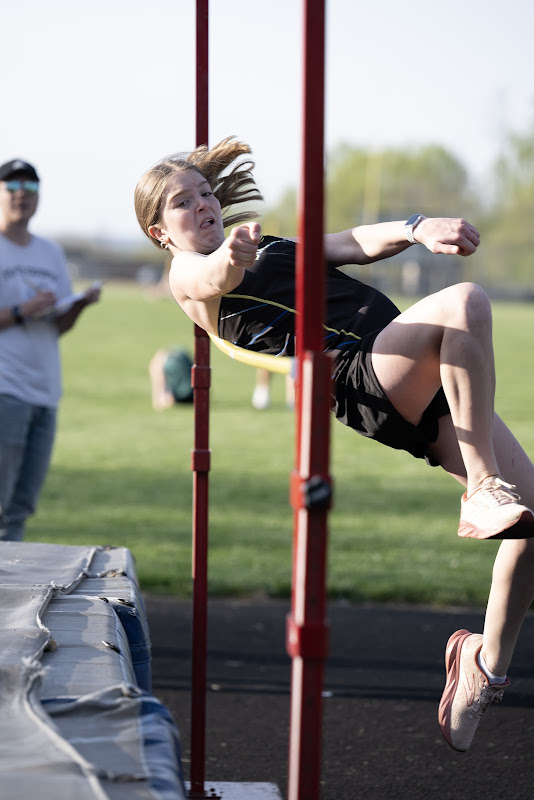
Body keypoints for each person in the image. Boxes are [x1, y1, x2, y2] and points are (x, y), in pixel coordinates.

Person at [134, 137, 534, 752]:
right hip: (360, 374)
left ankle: (483, 667)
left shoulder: (270, 244)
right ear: (162, 233)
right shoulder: (188, 276)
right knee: (465, 301)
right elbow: (215, 273)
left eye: (207, 192)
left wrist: (417, 227)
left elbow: (350, 244)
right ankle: (482, 487)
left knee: (532, 524)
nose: (205, 205)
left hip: (416, 368)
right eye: (184, 203)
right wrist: (232, 258)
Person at [0, 158, 101, 541]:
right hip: (5, 390)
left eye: (30, 187)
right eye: (12, 186)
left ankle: (8, 589)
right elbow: (24, 314)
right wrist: (21, 311)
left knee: (22, 507)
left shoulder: (50, 253)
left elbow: (57, 326)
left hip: (45, 392)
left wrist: (76, 306)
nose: (21, 194)